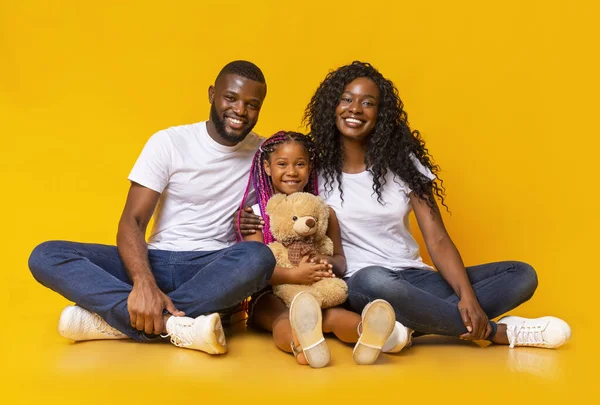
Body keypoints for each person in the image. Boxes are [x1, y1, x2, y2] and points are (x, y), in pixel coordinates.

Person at [242, 61, 571, 350]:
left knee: (521, 275)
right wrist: (247, 219)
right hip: (360, 282)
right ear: (332, 106)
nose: (355, 109)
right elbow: (275, 185)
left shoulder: (404, 164)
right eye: (346, 99)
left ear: (380, 114)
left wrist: (468, 297)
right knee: (375, 281)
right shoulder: (312, 165)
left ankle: (413, 322)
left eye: (367, 103)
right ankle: (499, 332)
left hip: (415, 278)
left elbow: (438, 239)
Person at [28, 60, 276, 355]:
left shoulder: (264, 155)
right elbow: (132, 221)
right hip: (153, 260)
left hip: (209, 269)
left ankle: (117, 323)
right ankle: (175, 325)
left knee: (258, 258)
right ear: (212, 94)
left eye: (252, 104)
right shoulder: (169, 142)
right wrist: (143, 281)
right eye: (231, 98)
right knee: (46, 255)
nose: (240, 111)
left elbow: (299, 186)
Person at [237, 131, 410, 368]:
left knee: (335, 317)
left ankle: (369, 336)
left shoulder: (324, 214)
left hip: (316, 292)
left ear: (310, 168)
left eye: (300, 164)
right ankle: (303, 346)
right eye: (282, 164)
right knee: (284, 318)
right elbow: (255, 270)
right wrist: (294, 275)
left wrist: (324, 260)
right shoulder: (256, 215)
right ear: (267, 167)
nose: (291, 171)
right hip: (270, 296)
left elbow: (340, 261)